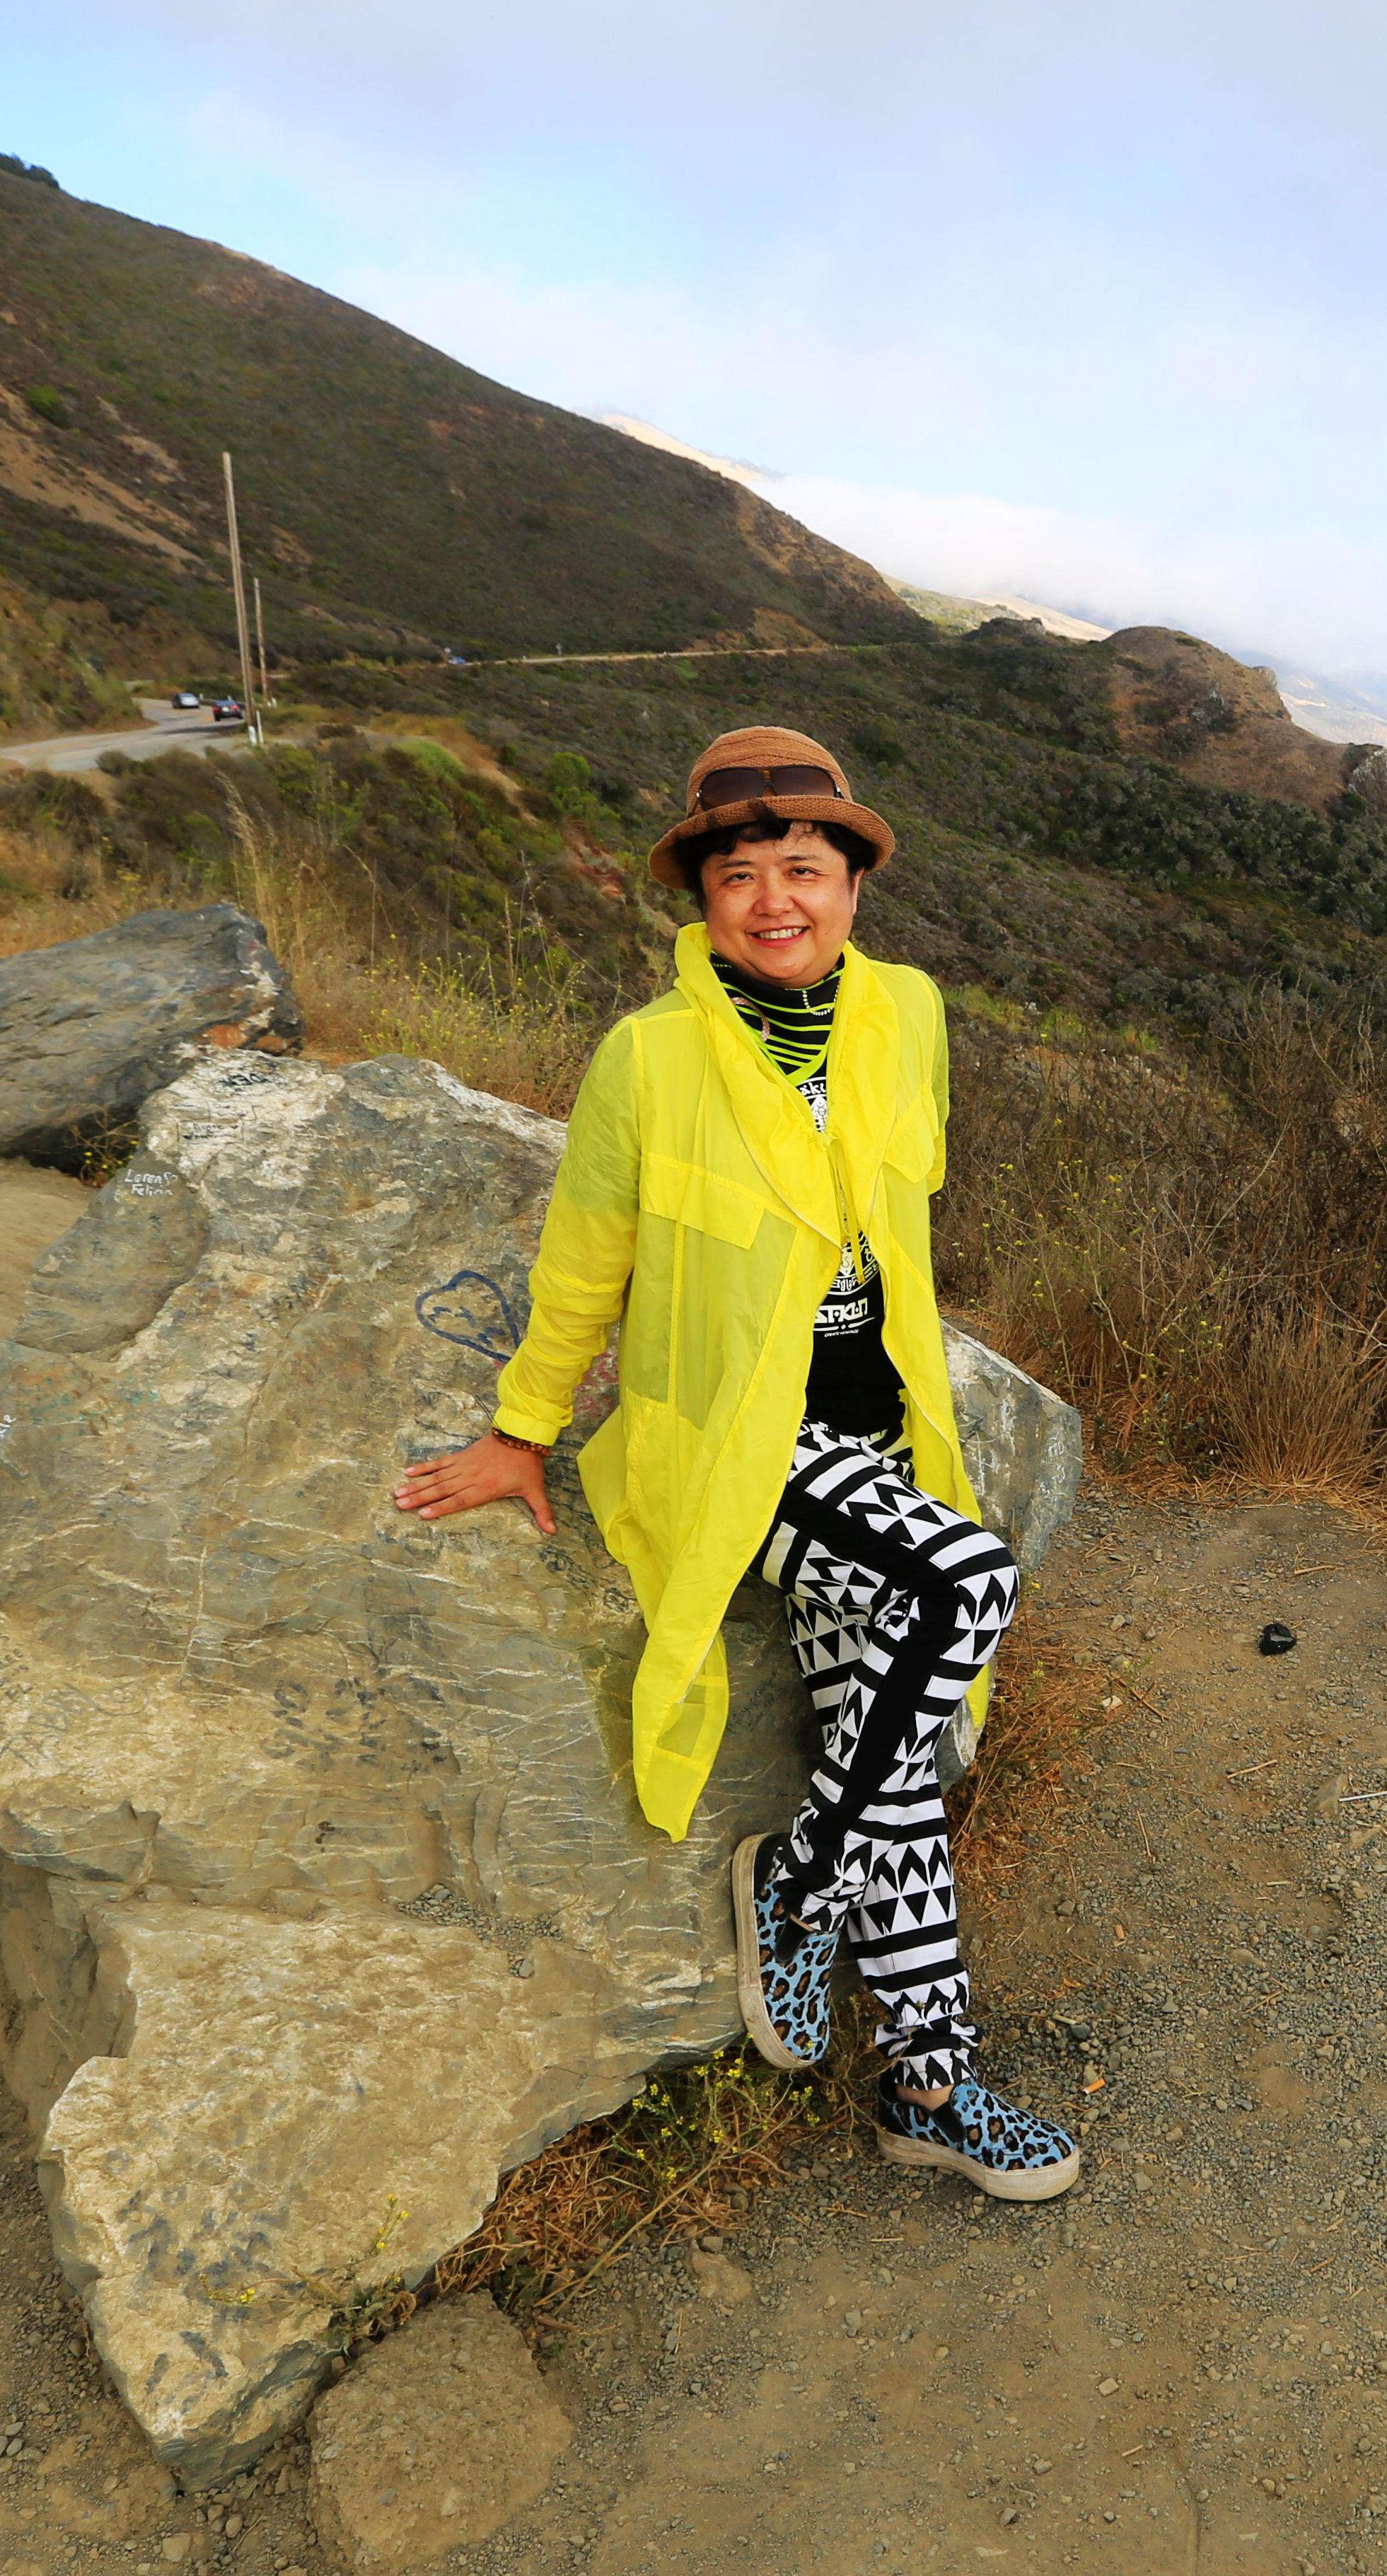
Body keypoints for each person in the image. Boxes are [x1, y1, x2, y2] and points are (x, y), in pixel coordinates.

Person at [390, 725, 1081, 2203]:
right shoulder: (648, 1058)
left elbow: (899, 1212)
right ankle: (800, 1883)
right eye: (742, 876)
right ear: (702, 900)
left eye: (805, 869)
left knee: (888, 1750)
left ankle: (928, 2085)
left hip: (878, 1440)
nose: (777, 901)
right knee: (964, 1585)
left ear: (854, 885)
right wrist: (521, 1431)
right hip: (735, 1447)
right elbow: (584, 1266)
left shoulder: (908, 1015)